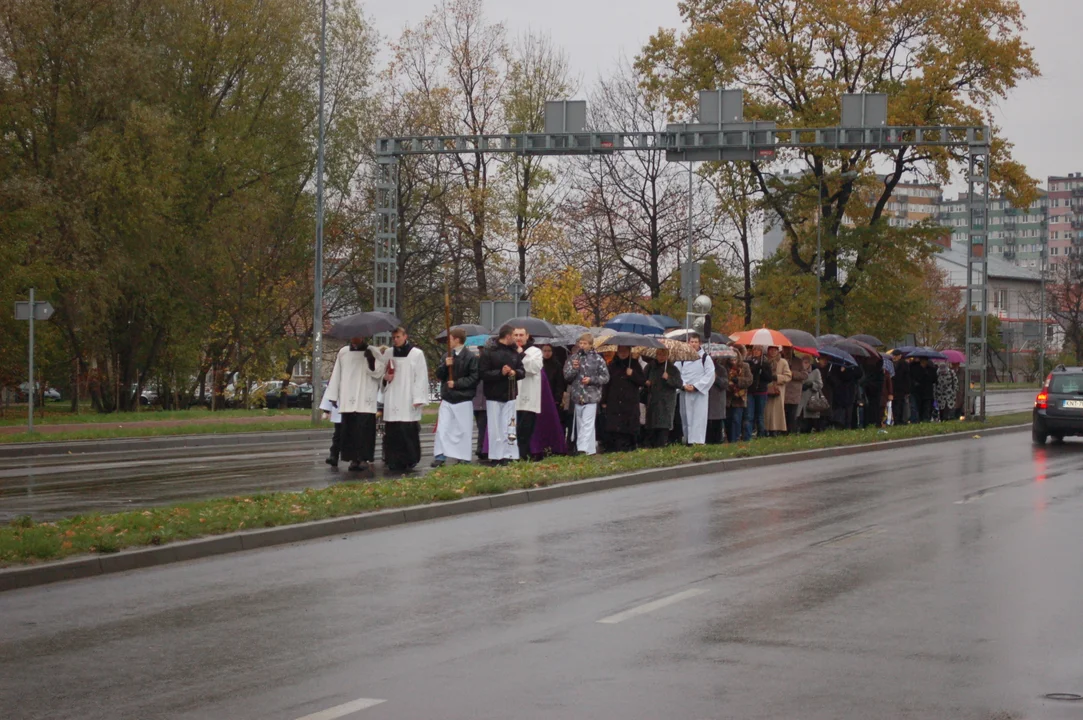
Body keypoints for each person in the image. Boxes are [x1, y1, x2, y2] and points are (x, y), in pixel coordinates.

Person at [323, 337, 385, 471]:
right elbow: (336, 374)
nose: (355, 340)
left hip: (365, 397)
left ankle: (363, 458)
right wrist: (333, 395)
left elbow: (379, 374)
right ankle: (353, 459)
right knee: (349, 431)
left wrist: (371, 360)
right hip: (348, 397)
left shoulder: (373, 351)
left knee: (364, 431)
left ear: (362, 337)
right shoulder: (343, 352)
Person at [380, 327, 429, 472]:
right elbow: (382, 372)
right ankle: (393, 459)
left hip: (408, 396)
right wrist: (385, 378)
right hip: (393, 395)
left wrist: (418, 397)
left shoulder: (416, 354)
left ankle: (410, 459)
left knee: (407, 430)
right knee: (392, 430)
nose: (395, 340)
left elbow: (421, 377)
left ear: (405, 336)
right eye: (393, 337)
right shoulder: (388, 353)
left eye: (398, 337)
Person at [432, 328, 480, 467]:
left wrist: (457, 384)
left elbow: (474, 378)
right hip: (448, 398)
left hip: (463, 399)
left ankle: (463, 456)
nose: (448, 342)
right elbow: (439, 375)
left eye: (450, 339)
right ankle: (440, 456)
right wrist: (445, 366)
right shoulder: (447, 356)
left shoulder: (470, 357)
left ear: (457, 339)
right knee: (443, 427)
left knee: (463, 429)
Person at [480, 325, 525, 464]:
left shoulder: (514, 353)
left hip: (510, 393)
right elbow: (483, 373)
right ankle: (496, 456)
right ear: (507, 336)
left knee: (510, 426)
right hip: (494, 395)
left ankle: (510, 454)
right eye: (514, 335)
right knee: (495, 428)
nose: (516, 338)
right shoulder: (489, 352)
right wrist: (501, 373)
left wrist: (514, 373)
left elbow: (522, 371)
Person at [563, 333, 609, 455]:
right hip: (578, 396)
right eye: (580, 343)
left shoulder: (598, 359)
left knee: (587, 423)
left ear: (590, 345)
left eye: (585, 343)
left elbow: (605, 377)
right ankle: (590, 450)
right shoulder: (573, 358)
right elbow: (567, 376)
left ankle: (581, 449)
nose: (582, 346)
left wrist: (591, 380)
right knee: (580, 424)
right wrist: (574, 368)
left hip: (592, 395)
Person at [603, 344, 647, 452]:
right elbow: (606, 384)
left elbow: (642, 381)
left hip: (629, 401)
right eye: (620, 351)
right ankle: (615, 448)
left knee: (629, 425)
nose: (623, 353)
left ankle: (629, 446)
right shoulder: (612, 365)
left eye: (625, 351)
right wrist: (604, 400)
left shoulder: (635, 364)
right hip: (614, 400)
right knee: (615, 425)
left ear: (629, 351)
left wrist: (632, 374)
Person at [675, 333, 715, 445]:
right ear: (688, 343)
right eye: (691, 342)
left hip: (699, 394)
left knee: (698, 417)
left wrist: (696, 386)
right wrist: (683, 385)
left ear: (700, 343)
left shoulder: (705, 358)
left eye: (695, 342)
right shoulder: (682, 358)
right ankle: (687, 439)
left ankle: (698, 441)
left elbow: (710, 375)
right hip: (685, 392)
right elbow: (676, 373)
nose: (693, 344)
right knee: (685, 416)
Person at [512, 327, 544, 461]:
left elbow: (534, 368)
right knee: (512, 428)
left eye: (521, 335)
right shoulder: (509, 350)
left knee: (525, 428)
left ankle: (524, 454)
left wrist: (521, 355)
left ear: (527, 336)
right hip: (511, 395)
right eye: (516, 335)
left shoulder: (534, 351)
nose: (518, 338)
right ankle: (512, 454)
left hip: (528, 395)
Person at [643, 348, 682, 448]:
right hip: (653, 400)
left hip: (666, 401)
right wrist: (646, 382)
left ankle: (662, 445)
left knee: (663, 425)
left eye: (664, 355)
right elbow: (643, 378)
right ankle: (650, 445)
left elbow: (679, 383)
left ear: (667, 356)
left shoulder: (672, 369)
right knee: (651, 423)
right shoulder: (650, 366)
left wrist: (668, 378)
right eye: (659, 355)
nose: (661, 357)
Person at [744, 345, 775, 439]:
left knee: (760, 415)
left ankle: (761, 434)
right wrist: (755, 369)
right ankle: (747, 436)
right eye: (755, 350)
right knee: (749, 415)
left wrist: (763, 371)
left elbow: (769, 378)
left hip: (761, 391)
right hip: (751, 391)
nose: (756, 352)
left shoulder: (765, 363)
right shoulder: (748, 362)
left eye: (758, 350)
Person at [542, 344, 570, 443]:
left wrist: (557, 398)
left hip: (553, 397)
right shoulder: (539, 364)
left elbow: (560, 383)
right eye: (544, 351)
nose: (546, 353)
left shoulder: (557, 365)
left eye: (549, 351)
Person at [725, 347, 753, 443]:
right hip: (728, 396)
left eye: (735, 359)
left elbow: (749, 380)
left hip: (739, 397)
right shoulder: (725, 367)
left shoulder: (745, 366)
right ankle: (729, 438)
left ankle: (735, 439)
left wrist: (739, 381)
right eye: (731, 359)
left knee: (736, 419)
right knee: (728, 419)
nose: (733, 361)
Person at [764, 346, 791, 437]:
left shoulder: (783, 362)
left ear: (778, 351)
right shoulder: (765, 361)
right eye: (770, 350)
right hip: (766, 388)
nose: (772, 352)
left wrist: (778, 377)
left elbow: (788, 376)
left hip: (778, 389)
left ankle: (775, 429)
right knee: (766, 410)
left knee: (776, 411)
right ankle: (766, 429)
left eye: (774, 350)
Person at [783, 347, 808, 435]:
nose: (786, 351)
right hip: (782, 391)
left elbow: (804, 375)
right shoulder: (781, 360)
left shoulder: (798, 361)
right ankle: (783, 431)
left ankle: (792, 431)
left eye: (788, 350)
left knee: (792, 413)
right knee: (783, 413)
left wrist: (793, 373)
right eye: (785, 349)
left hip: (794, 392)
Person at [797, 356, 824, 433]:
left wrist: (811, 384)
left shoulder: (815, 371)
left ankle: (810, 429)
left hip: (811, 398)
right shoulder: (799, 370)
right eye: (803, 362)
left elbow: (820, 385)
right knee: (799, 415)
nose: (804, 364)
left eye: (806, 362)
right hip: (800, 397)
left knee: (810, 418)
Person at [706, 353, 727, 444]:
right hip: (706, 399)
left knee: (717, 423)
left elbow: (724, 384)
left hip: (717, 400)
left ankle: (718, 440)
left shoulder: (721, 369)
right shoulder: (703, 368)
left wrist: (716, 377)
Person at [319, 391, 343, 466]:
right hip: (340, 408)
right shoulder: (336, 378)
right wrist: (326, 410)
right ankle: (334, 456)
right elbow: (331, 390)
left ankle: (357, 459)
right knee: (337, 435)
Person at [911, 357, 936, 422]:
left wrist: (926, 373)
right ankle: (919, 419)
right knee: (919, 407)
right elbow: (914, 378)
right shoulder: (915, 367)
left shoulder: (931, 369)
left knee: (927, 407)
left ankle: (926, 420)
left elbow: (934, 379)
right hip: (918, 392)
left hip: (928, 392)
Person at [891, 350, 911, 425]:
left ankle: (900, 420)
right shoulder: (892, 364)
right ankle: (897, 420)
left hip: (901, 388)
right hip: (895, 388)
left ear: (900, 356)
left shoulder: (903, 364)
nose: (894, 357)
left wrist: (907, 390)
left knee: (900, 405)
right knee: (895, 405)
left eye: (895, 355)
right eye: (893, 355)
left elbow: (906, 378)